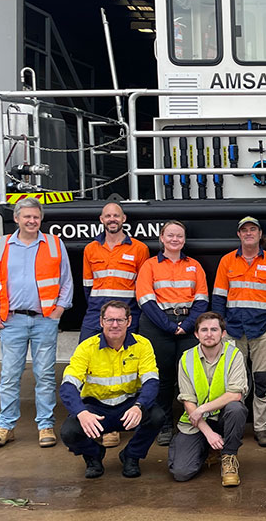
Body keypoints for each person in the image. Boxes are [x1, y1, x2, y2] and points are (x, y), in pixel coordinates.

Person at [0, 196, 73, 449]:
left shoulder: (54, 244)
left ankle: (45, 426)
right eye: (27, 217)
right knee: (9, 375)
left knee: (44, 375)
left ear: (41, 219)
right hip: (12, 320)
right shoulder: (2, 246)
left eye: (36, 217)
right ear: (17, 219)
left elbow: (66, 280)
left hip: (44, 320)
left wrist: (59, 309)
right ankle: (5, 426)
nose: (32, 221)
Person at [58, 299, 166, 478]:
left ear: (129, 322)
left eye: (120, 320)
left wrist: (139, 406)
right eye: (109, 320)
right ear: (101, 322)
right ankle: (93, 455)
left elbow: (152, 382)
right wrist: (81, 413)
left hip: (129, 406)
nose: (114, 325)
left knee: (156, 416)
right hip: (96, 409)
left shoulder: (142, 345)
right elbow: (68, 386)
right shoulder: (87, 347)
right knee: (69, 432)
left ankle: (131, 456)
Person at [79, 201, 150, 450]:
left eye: (116, 215)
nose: (112, 219)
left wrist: (128, 317)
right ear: (101, 219)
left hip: (127, 314)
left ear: (124, 218)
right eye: (108, 215)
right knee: (90, 365)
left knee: (125, 367)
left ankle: (118, 424)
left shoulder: (139, 249)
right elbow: (88, 286)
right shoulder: (90, 249)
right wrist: (101, 313)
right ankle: (94, 419)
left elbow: (142, 285)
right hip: (96, 314)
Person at [211, 215, 266, 448]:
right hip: (233, 331)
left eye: (253, 229)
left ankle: (261, 428)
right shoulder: (227, 261)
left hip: (262, 332)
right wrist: (222, 328)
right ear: (239, 235)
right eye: (245, 230)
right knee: (235, 382)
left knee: (262, 380)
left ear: (260, 234)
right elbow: (218, 299)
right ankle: (235, 425)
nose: (249, 233)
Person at [135, 220, 208, 447]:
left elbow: (202, 299)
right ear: (162, 238)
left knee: (189, 378)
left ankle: (192, 423)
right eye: (170, 235)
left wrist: (186, 326)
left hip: (187, 326)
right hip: (158, 327)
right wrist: (168, 326)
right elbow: (145, 300)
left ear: (184, 240)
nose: (175, 239)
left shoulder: (194, 265)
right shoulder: (149, 266)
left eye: (179, 236)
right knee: (162, 379)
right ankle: (165, 425)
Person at [169, 312, 249, 486]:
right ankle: (208, 447)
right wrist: (208, 433)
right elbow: (188, 401)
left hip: (223, 418)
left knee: (237, 409)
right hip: (197, 423)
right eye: (204, 330)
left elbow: (235, 394)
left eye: (214, 329)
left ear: (223, 333)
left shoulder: (234, 355)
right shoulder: (186, 359)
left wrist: (202, 409)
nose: (209, 334)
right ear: (196, 334)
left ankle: (229, 457)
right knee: (181, 472)